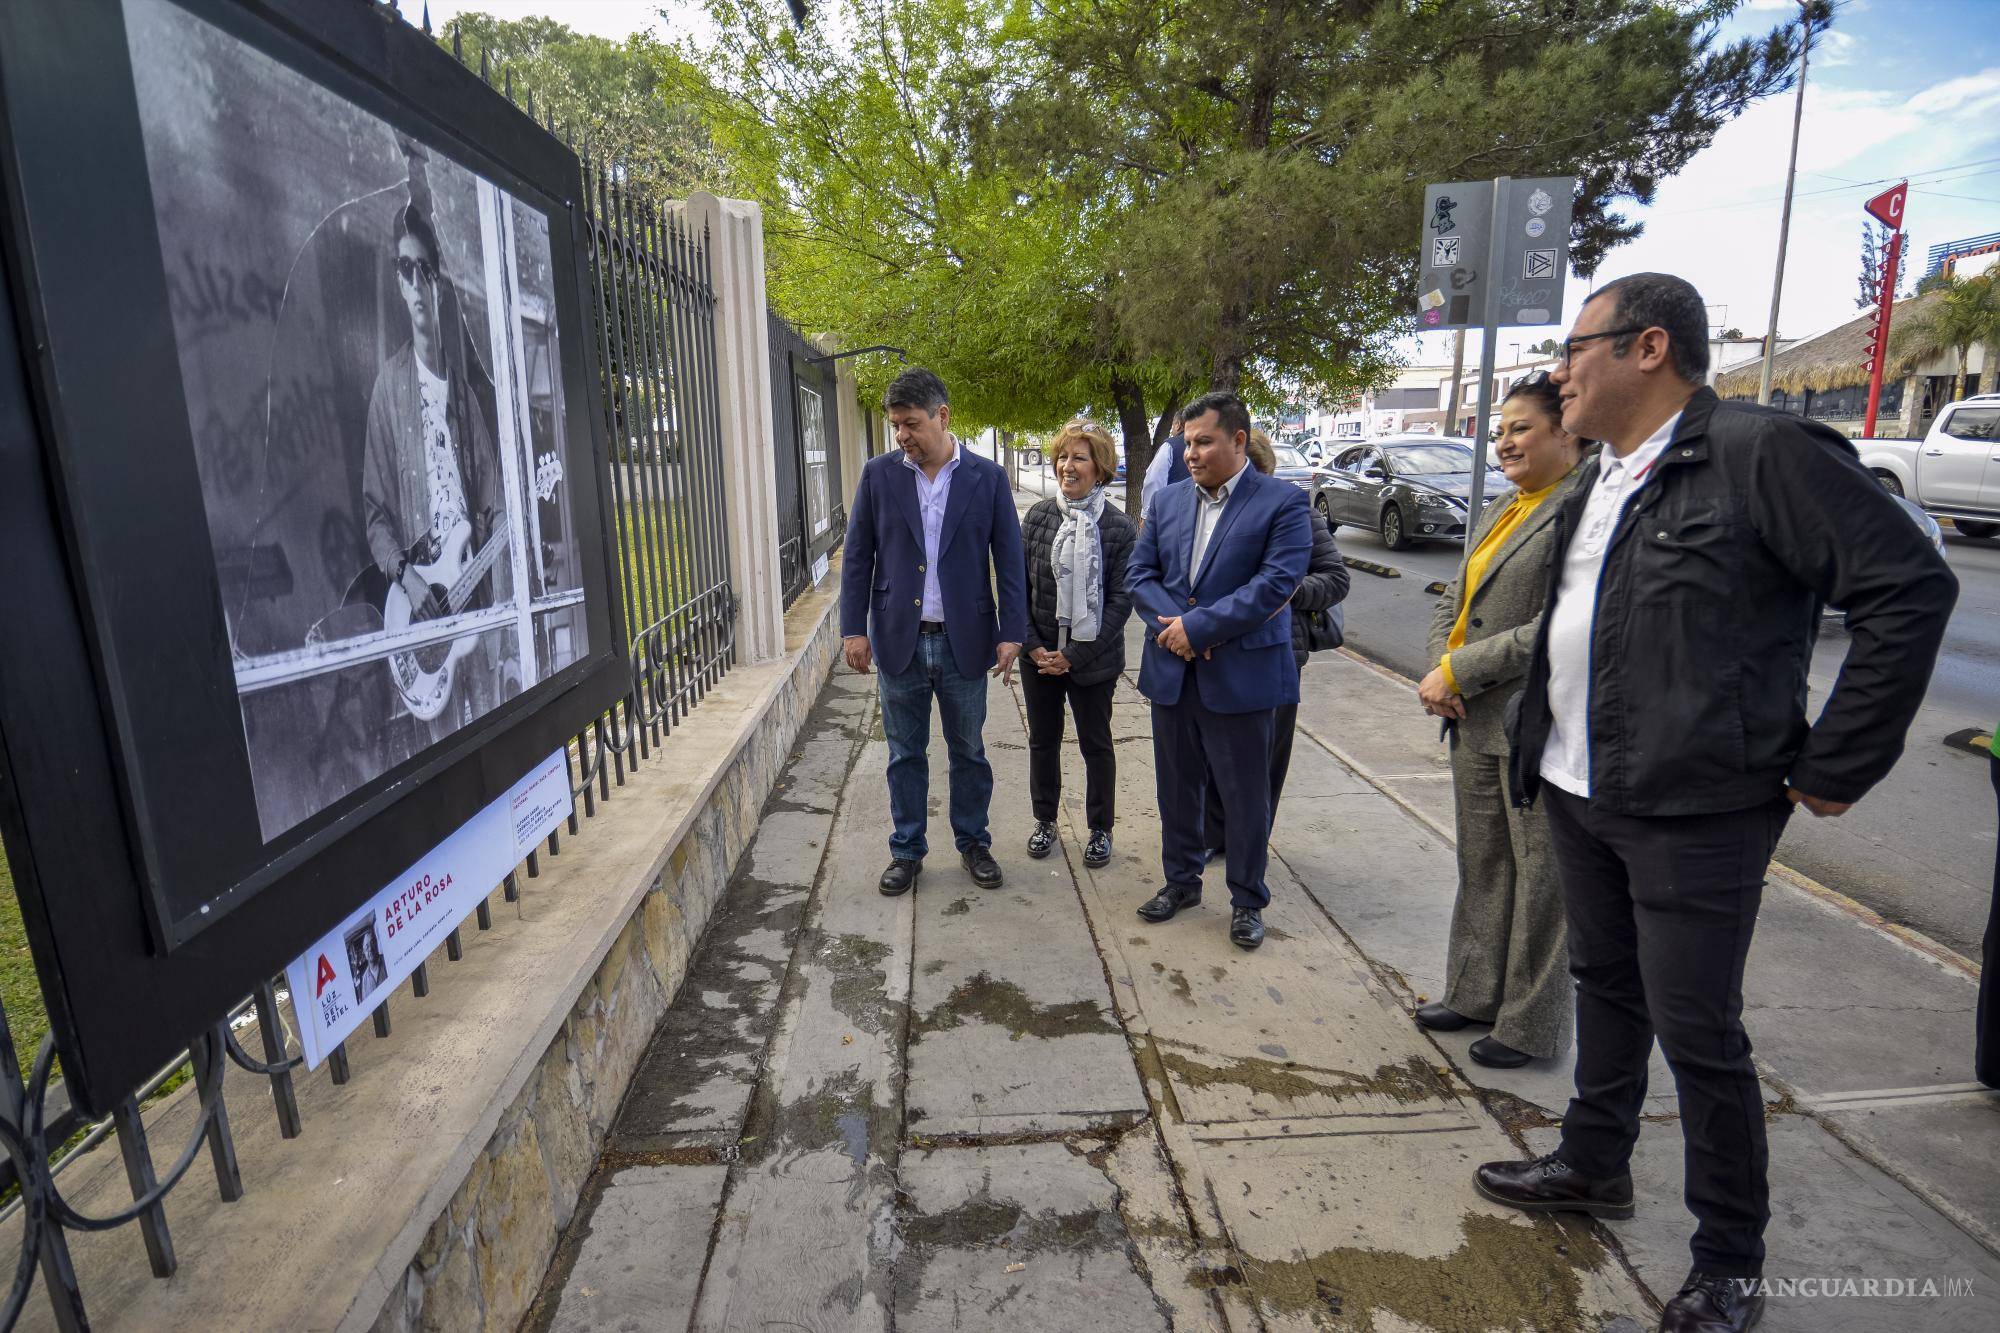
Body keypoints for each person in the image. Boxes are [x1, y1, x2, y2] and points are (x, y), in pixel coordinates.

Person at [1475, 274, 1957, 1333]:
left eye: (1575, 348)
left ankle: (1728, 1257)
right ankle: (1592, 1162)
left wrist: (1836, 762)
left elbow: (1909, 586)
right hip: (1580, 786)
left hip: (1696, 806)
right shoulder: (1602, 472)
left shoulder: (1757, 451)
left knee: (1698, 1031)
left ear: (1647, 348)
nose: (1560, 371)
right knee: (1605, 987)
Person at [1413, 373, 1585, 1070]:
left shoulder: (1581, 507)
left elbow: (1560, 624)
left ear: (1566, 432)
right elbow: (1452, 600)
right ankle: (1474, 991)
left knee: (1542, 877)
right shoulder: (1502, 507)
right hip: (1471, 716)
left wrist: (1459, 669)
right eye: (1500, 430)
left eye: (1521, 428)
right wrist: (1441, 668)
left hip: (1535, 721)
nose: (1505, 442)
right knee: (1482, 863)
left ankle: (1530, 1026)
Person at [1127, 392, 1311, 951]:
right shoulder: (1167, 502)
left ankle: (1247, 900)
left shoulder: (1284, 502)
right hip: (1173, 670)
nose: (1191, 454)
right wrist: (1177, 629)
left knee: (1244, 794)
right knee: (1176, 787)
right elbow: (1139, 574)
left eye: (1203, 442)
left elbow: (1275, 584)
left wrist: (1199, 629)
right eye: (1187, 443)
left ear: (1238, 440)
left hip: (1242, 676)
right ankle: (1181, 883)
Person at [839, 368, 1026, 897]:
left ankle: (974, 843)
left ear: (942, 416)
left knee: (969, 750)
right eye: (896, 425)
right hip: (898, 638)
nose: (902, 435)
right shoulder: (879, 475)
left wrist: (1012, 630)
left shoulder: (987, 478)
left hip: (965, 639)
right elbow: (858, 557)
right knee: (905, 753)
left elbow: (1009, 560)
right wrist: (853, 630)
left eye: (911, 424)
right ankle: (906, 850)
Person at [361, 204, 507, 738]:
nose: (417, 282)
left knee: (492, 728)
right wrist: (408, 576)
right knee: (446, 750)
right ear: (399, 283)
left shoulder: (463, 397)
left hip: (472, 603)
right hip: (423, 612)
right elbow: (375, 514)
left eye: (424, 269)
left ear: (438, 283)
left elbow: (494, 506)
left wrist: (501, 555)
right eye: (406, 269)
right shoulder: (388, 390)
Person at [1201, 430, 1350, 852]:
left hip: (1277, 653)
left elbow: (1335, 578)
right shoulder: (1208, 512)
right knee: (1214, 752)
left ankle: (1251, 841)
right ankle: (1215, 835)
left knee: (1266, 756)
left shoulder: (1295, 511)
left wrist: (1286, 590)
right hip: (1217, 648)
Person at [1019, 419, 1136, 867]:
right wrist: (1032, 645)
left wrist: (1074, 655)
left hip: (1093, 661)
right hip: (1039, 656)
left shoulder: (1119, 528)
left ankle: (1100, 828)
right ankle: (1044, 820)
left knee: (1096, 744)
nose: (1067, 466)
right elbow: (1017, 587)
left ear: (1100, 468)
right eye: (1063, 457)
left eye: (1079, 458)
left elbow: (1121, 602)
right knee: (1043, 742)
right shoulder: (1039, 517)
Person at [1138, 411, 1187, 521]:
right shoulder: (1206, 446)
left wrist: (1147, 516)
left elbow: (1154, 481)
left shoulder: (1170, 446)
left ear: (1178, 425)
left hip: (1171, 517)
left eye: (1172, 425)